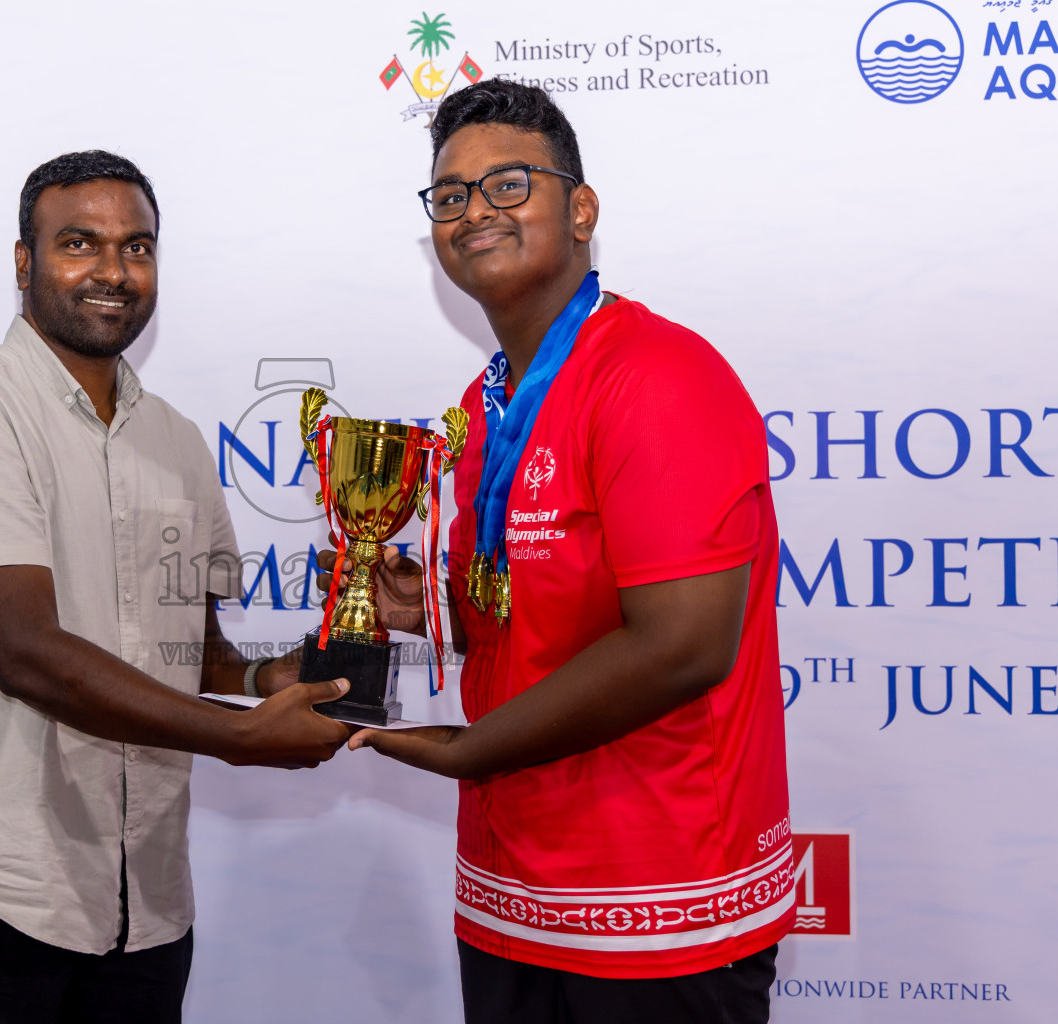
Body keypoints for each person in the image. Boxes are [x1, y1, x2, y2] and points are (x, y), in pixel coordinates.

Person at [326, 82, 792, 1023]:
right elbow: (539, 603)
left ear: (580, 210)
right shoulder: (489, 401)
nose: (473, 211)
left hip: (656, 906)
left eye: (507, 183)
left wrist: (470, 750)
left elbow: (683, 644)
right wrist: (438, 608)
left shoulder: (656, 375)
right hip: (515, 893)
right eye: (449, 195)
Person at [0, 150, 346, 1024]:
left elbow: (191, 646)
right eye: (79, 244)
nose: (112, 272)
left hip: (147, 908)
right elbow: (29, 657)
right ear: (24, 262)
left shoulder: (176, 439)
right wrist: (240, 739)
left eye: (137, 248)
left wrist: (271, 681)